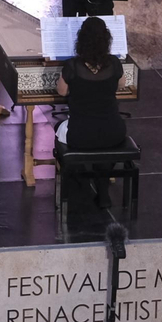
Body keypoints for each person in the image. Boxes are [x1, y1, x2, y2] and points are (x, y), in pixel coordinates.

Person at [53, 16, 127, 206]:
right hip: (114, 132)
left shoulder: (72, 66)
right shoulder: (114, 63)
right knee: (102, 138)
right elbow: (120, 85)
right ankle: (102, 187)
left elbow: (62, 91)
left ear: (81, 40)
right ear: (106, 40)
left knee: (58, 127)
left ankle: (76, 176)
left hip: (81, 134)